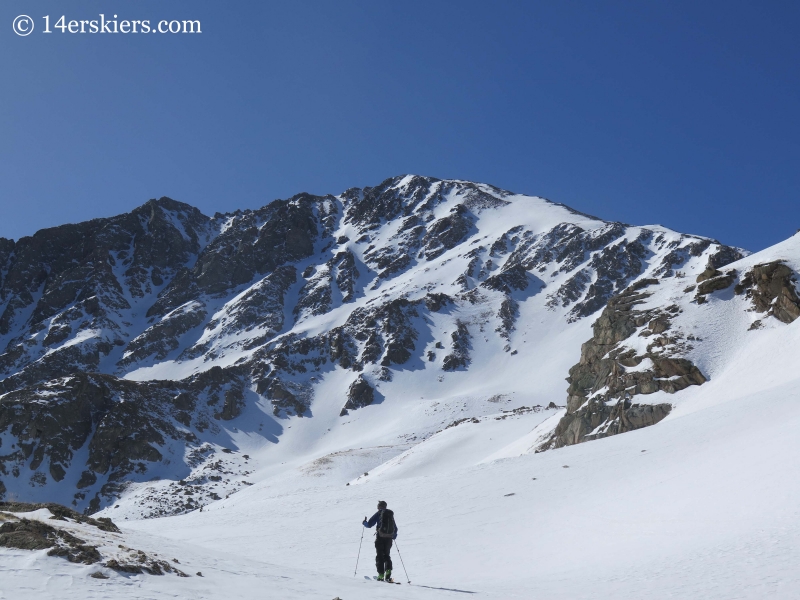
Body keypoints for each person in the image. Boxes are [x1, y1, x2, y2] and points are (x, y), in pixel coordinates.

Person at [362, 500, 398, 582]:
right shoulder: (389, 515)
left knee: (379, 556)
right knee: (387, 555)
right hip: (389, 539)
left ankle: (381, 574)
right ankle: (388, 572)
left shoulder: (378, 514)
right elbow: (395, 528)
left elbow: (369, 524)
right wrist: (393, 536)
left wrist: (364, 522)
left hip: (380, 538)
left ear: (379, 507)